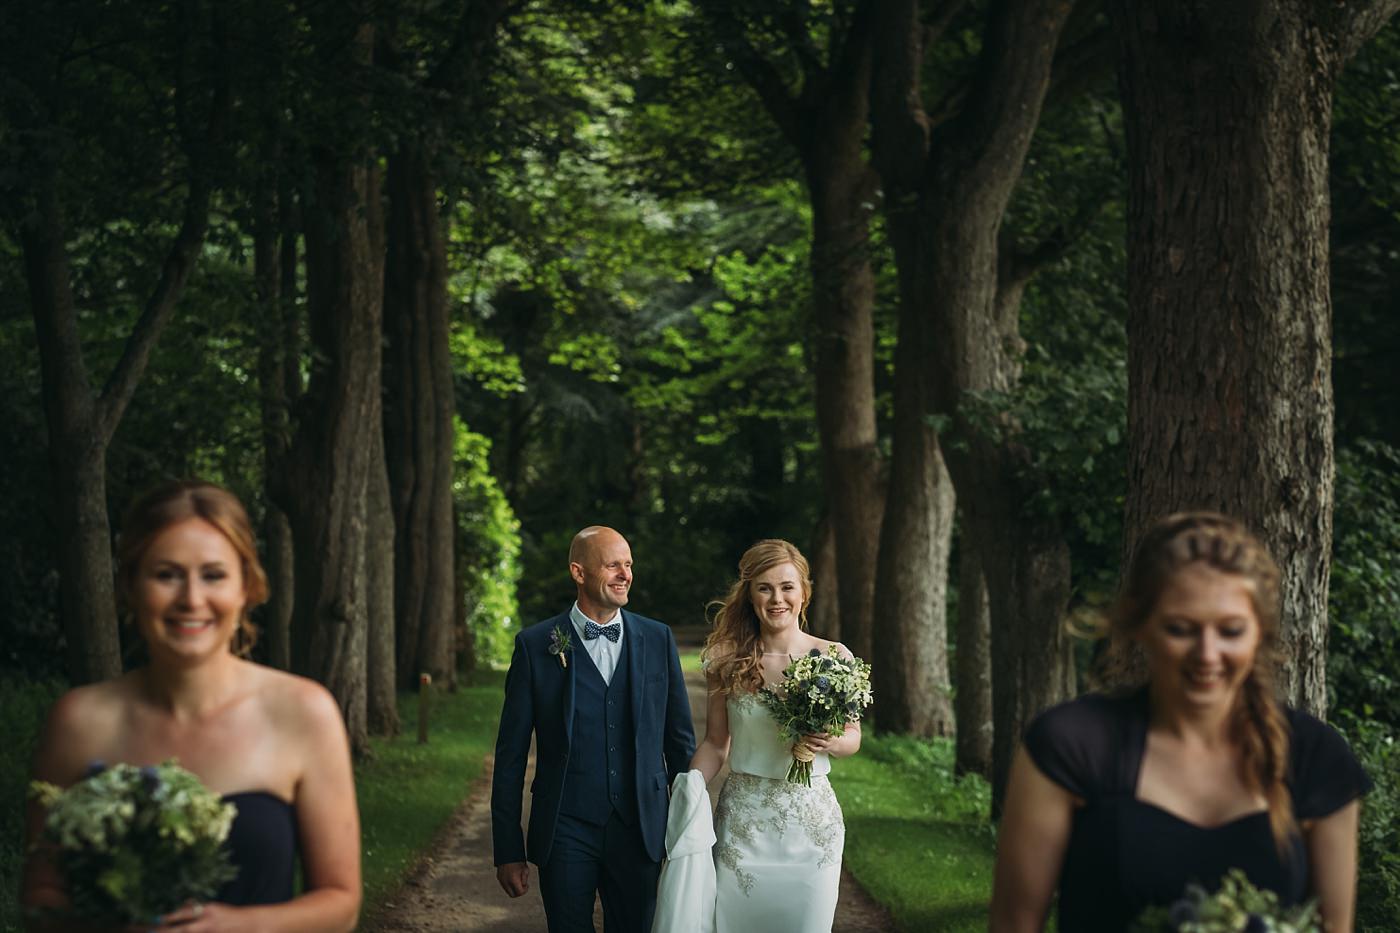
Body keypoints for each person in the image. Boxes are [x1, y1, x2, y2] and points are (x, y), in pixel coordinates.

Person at [990, 512, 1372, 932]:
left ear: (1258, 633)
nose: (1206, 654)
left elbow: (1336, 926)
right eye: (1180, 629)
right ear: (1139, 625)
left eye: (1230, 631)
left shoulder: (1317, 758)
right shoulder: (1072, 744)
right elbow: (1014, 923)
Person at [22, 480, 361, 932]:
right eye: (166, 574)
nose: (191, 599)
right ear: (131, 586)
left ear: (247, 587)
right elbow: (40, 895)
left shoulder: (304, 713)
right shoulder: (79, 721)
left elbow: (341, 903)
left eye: (214, 575)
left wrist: (240, 927)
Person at [490, 525, 696, 933]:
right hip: (566, 826)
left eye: (629, 565)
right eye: (613, 565)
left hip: (640, 828)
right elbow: (510, 755)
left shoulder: (657, 639)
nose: (625, 574)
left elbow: (680, 742)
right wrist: (508, 849)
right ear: (579, 572)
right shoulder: (536, 645)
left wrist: (686, 831)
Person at [687, 539, 861, 933]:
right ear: (749, 595)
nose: (777, 598)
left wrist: (829, 742)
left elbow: (852, 736)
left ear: (804, 592)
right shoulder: (726, 659)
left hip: (812, 826)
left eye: (786, 587)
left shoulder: (835, 658)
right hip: (744, 825)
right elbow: (716, 744)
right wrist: (690, 787)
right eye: (764, 588)